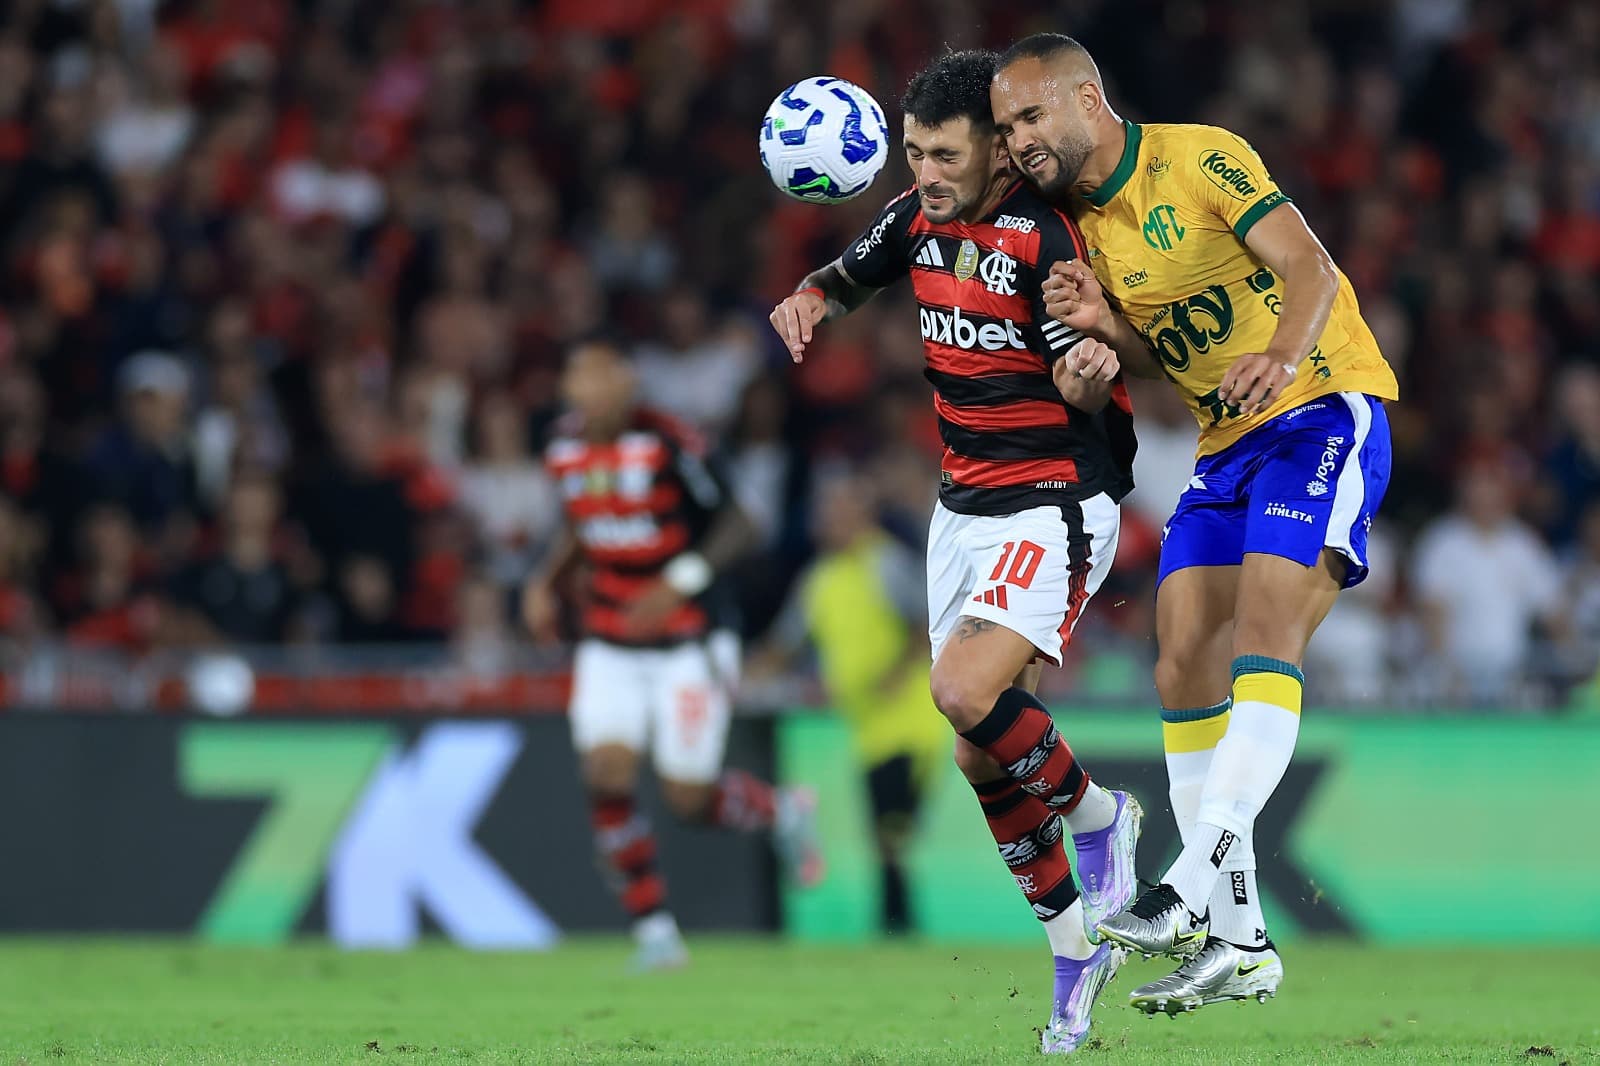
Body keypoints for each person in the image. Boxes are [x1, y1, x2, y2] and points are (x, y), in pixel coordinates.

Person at [990, 33, 1399, 1013]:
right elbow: (1155, 349)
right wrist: (1100, 335)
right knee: (1179, 660)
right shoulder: (1076, 227)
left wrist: (1284, 356)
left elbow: (1311, 268)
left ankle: (1190, 882)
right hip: (1225, 447)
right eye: (1005, 128)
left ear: (1087, 101)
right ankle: (1245, 942)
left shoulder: (1199, 155)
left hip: (1319, 409)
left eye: (1029, 117)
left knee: (1266, 628)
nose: (1018, 141)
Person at [768, 50, 1142, 1054]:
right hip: (963, 510)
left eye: (943, 152)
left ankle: (1104, 818)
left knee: (960, 689)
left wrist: (1090, 371)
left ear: (996, 148)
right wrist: (812, 298)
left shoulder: (1043, 233)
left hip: (1055, 495)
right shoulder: (914, 218)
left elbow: (1090, 373)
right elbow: (848, 274)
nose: (924, 170)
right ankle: (1075, 950)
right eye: (910, 150)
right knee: (979, 749)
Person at [521, 338, 822, 973]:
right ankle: (655, 934)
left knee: (687, 798)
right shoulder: (563, 448)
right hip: (610, 637)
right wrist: (545, 580)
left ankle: (778, 809)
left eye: (602, 380)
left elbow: (742, 522)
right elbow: (585, 522)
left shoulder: (672, 442)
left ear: (627, 385)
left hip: (690, 636)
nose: (589, 394)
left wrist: (678, 580)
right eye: (579, 382)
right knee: (605, 772)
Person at [753, 472, 950, 935]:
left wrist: (896, 673)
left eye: (839, 513)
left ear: (862, 516)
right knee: (886, 829)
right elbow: (786, 644)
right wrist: (749, 670)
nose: (829, 523)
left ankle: (896, 918)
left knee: (892, 825)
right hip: (867, 727)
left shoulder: (886, 564)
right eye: (826, 515)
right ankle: (897, 920)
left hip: (912, 719)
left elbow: (926, 621)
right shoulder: (818, 579)